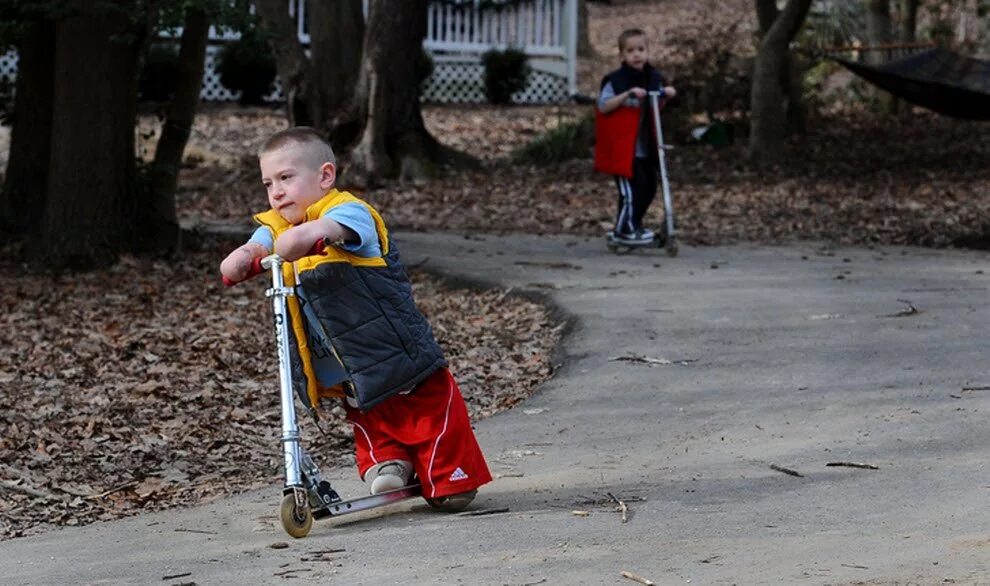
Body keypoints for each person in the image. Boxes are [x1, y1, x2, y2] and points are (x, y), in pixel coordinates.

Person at [220, 127, 491, 510]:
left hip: (393, 342)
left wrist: (304, 236)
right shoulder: (277, 227)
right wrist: (246, 255)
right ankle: (389, 462)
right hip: (343, 353)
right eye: (268, 183)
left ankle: (452, 477)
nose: (276, 192)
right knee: (365, 406)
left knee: (427, 406)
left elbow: (316, 235)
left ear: (325, 176)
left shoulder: (350, 211)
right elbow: (244, 256)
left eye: (286, 178)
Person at [594, 28, 677, 245]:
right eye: (630, 51)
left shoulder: (652, 78)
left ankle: (633, 225)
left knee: (648, 186)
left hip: (645, 147)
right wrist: (626, 95)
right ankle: (623, 231)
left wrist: (666, 94)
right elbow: (603, 107)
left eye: (641, 49)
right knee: (629, 192)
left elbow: (655, 107)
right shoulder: (615, 80)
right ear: (622, 55)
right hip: (623, 149)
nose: (636, 55)